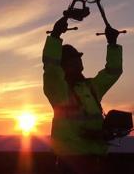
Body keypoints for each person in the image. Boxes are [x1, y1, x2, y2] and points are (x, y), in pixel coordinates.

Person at [43, 16, 123, 173]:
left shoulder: (91, 87)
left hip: (96, 159)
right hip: (71, 161)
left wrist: (112, 44)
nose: (78, 61)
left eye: (78, 58)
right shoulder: (59, 90)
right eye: (73, 59)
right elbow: (51, 68)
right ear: (63, 64)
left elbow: (113, 72)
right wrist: (54, 37)